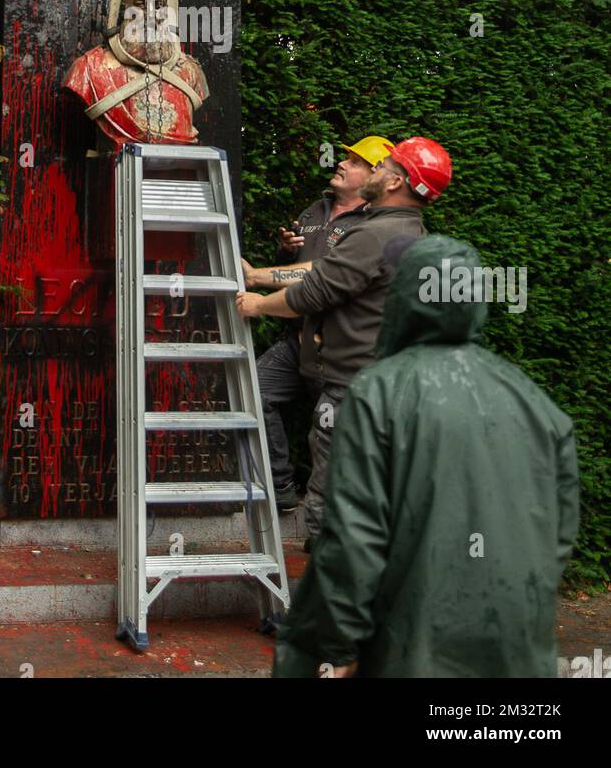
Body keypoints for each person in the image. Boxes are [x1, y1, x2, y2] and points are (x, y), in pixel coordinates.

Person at [272, 233, 579, 678]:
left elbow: (351, 547)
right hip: (519, 650)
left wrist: (311, 653)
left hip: (413, 651)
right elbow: (556, 536)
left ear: (403, 300)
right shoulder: (536, 404)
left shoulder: (379, 392)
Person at [237, 137, 452, 545]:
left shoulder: (376, 234)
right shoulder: (407, 232)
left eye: (383, 165)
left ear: (394, 182)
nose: (371, 169)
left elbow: (314, 291)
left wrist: (259, 305)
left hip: (352, 389)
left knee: (330, 505)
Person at [241, 136, 395, 514]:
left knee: (334, 436)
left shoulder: (371, 226)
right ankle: (281, 487)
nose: (342, 164)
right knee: (254, 392)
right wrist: (286, 252)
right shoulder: (316, 209)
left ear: (376, 176)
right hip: (298, 337)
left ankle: (338, 525)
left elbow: (322, 277)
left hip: (337, 345)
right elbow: (301, 265)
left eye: (355, 162)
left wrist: (259, 286)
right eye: (345, 158)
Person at [63, 0, 208, 146]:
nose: (151, 14)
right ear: (126, 9)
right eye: (141, 5)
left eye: (158, 5)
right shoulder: (89, 68)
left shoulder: (191, 71)